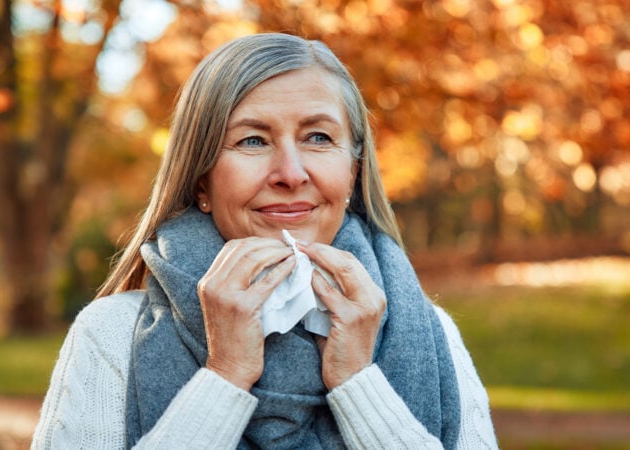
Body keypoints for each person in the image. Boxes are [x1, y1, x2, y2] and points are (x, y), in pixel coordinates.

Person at [31, 32, 498, 449]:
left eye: (318, 137)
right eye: (252, 141)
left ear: (353, 172)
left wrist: (358, 382)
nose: (291, 174)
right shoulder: (111, 334)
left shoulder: (432, 333)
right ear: (200, 182)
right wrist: (225, 377)